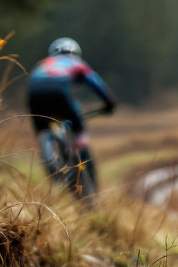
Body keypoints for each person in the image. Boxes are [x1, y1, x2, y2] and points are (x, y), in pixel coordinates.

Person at [27, 37, 115, 177]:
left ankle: (49, 160)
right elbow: (95, 83)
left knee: (42, 129)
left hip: (34, 93)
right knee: (76, 124)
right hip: (58, 90)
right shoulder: (76, 62)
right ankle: (80, 151)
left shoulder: (43, 64)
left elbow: (34, 81)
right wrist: (109, 102)